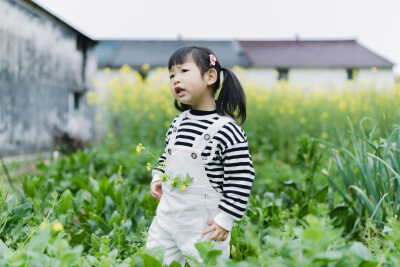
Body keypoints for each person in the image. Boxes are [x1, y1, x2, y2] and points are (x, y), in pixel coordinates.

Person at [146, 46, 255, 266]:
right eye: (171, 75)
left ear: (210, 76)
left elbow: (242, 177)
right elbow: (167, 156)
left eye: (184, 71)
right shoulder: (178, 123)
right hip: (166, 220)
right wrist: (158, 176)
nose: (176, 79)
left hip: (204, 227)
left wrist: (225, 220)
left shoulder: (226, 129)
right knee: (154, 261)